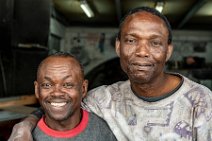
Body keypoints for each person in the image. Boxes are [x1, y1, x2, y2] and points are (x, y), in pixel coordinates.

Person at [9, 6, 212, 141]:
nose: (142, 52)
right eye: (131, 40)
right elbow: (58, 102)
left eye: (155, 42)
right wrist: (25, 125)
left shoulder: (202, 103)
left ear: (168, 51)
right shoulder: (102, 100)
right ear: (118, 46)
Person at [14, 52, 117, 141]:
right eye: (47, 85)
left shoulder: (101, 132)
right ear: (37, 90)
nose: (57, 93)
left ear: (83, 89)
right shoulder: (25, 136)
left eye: (68, 84)